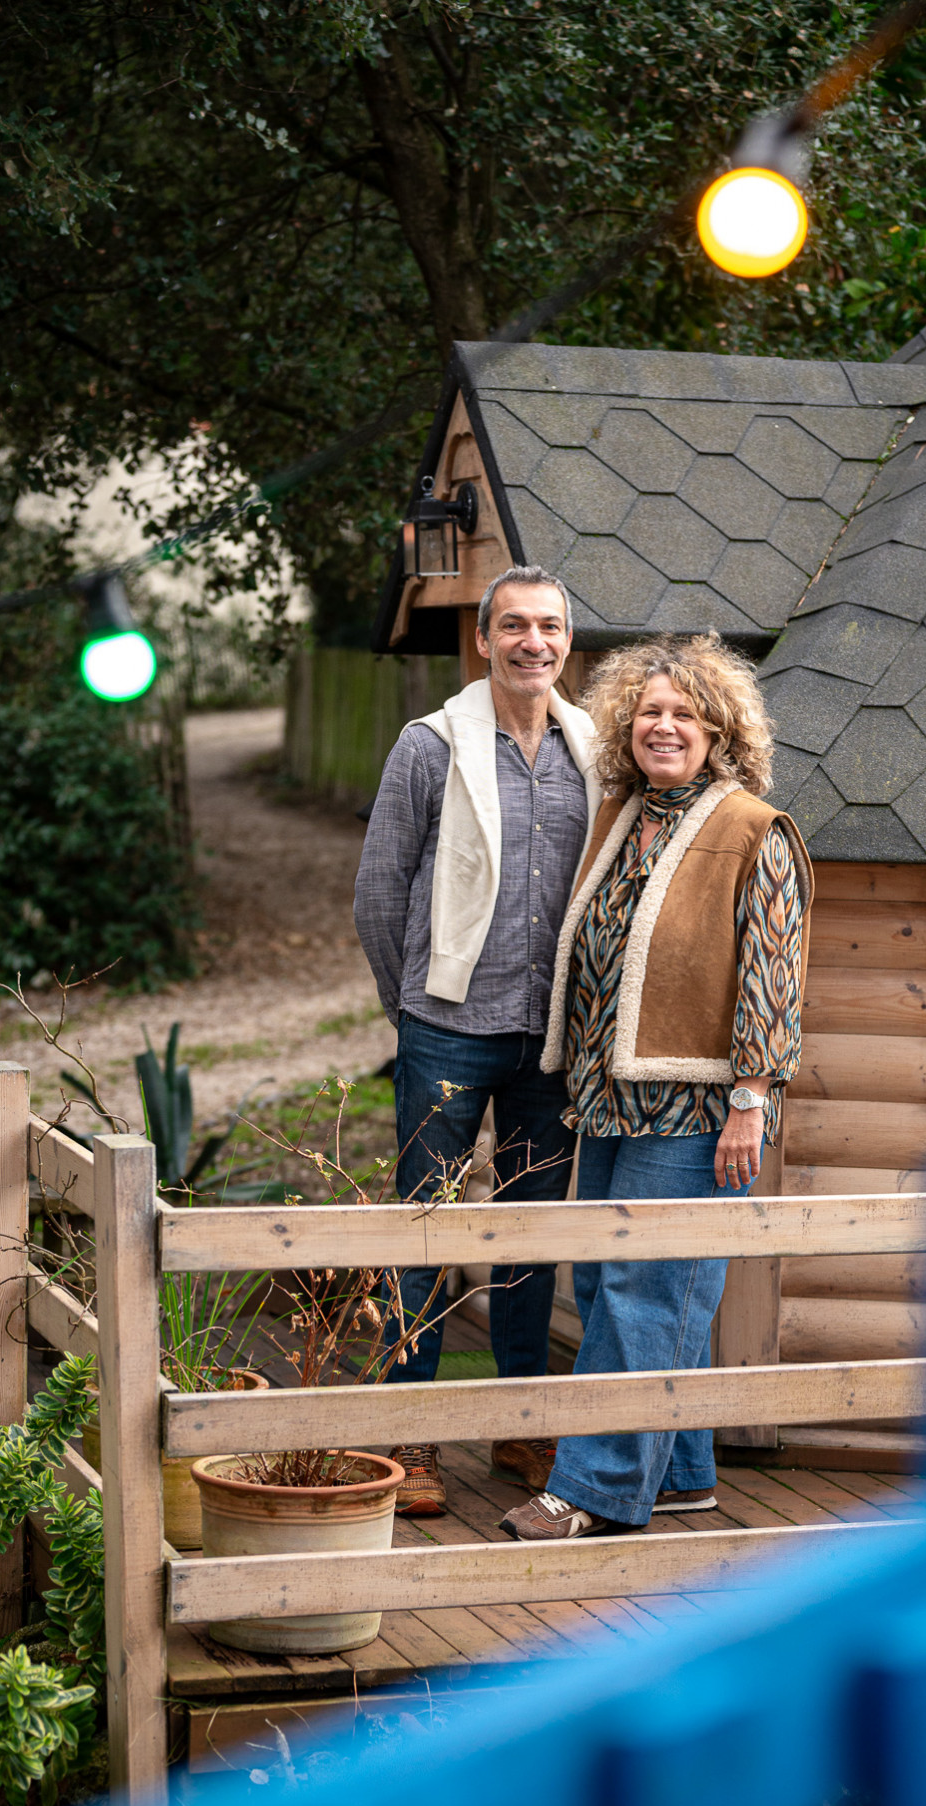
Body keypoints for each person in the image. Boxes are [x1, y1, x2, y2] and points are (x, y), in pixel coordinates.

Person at [498, 632, 811, 1541]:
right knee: (607, 1284)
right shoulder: (620, 816)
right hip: (607, 1100)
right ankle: (680, 1476)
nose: (662, 727)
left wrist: (750, 1098)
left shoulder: (754, 828)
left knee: (648, 1288)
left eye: (683, 714)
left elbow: (772, 974)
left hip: (698, 1108)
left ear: (719, 731)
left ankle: (590, 1490)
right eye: (649, 713)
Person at [354, 565, 601, 1517]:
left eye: (548, 626)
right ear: (485, 641)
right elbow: (380, 893)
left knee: (529, 1235)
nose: (531, 641)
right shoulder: (431, 746)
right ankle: (408, 1434)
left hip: (551, 1038)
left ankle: (519, 1422)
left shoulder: (594, 752)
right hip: (448, 1027)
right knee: (425, 1227)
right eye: (513, 626)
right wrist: (410, 1008)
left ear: (565, 642)